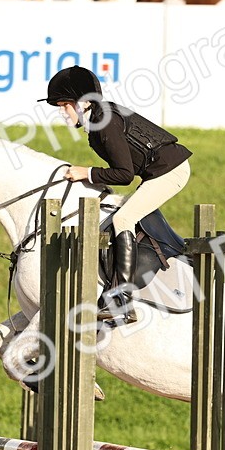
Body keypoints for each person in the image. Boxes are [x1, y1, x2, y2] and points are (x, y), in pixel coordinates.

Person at [40, 65, 192, 324]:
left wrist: (86, 173)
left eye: (65, 106)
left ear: (84, 103)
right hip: (158, 171)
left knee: (123, 220)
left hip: (171, 172)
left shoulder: (105, 122)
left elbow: (124, 174)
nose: (63, 114)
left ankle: (120, 299)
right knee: (122, 216)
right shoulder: (99, 118)